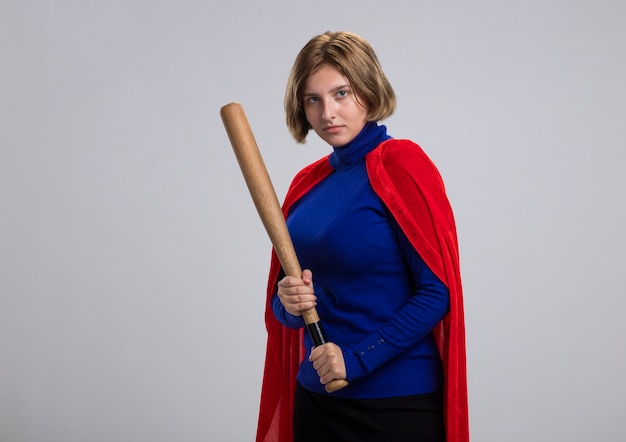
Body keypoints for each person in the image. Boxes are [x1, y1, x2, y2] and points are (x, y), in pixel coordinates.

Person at [256, 31, 468, 442]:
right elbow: (289, 304)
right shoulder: (309, 182)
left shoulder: (402, 165)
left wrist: (356, 360)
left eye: (341, 93)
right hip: (316, 399)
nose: (327, 112)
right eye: (313, 99)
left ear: (369, 93)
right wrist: (288, 303)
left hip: (393, 408)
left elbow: (436, 292)